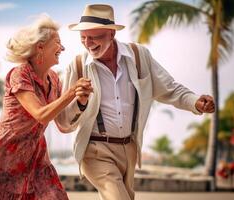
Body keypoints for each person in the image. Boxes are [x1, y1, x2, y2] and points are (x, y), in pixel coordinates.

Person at [56, 4, 215, 200]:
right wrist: (79, 103)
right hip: (95, 151)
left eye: (94, 37)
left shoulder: (139, 56)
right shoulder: (78, 66)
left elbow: (170, 88)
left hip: (129, 148)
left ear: (111, 34)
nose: (88, 43)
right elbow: (63, 121)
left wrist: (195, 102)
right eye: (83, 38)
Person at [0, 14, 93, 199]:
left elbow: (62, 124)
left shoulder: (54, 79)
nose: (63, 48)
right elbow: (40, 114)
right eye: (58, 42)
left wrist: (81, 101)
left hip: (36, 157)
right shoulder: (20, 74)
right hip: (5, 156)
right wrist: (72, 91)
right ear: (40, 47)